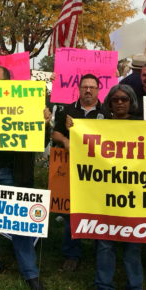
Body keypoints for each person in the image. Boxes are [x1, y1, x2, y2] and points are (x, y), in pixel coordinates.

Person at [0, 59, 50, 290]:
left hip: (15, 173)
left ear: (9, 84)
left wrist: (44, 123)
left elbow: (41, 142)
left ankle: (30, 273)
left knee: (21, 223)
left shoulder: (27, 104)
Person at [93, 84, 146, 290]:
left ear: (131, 101)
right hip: (107, 194)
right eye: (115, 99)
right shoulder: (99, 126)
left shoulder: (143, 126)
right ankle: (103, 289)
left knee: (132, 244)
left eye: (125, 99)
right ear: (110, 103)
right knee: (105, 244)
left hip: (133, 196)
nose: (120, 102)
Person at [51, 74, 106, 272]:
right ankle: (72, 253)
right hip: (73, 171)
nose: (88, 90)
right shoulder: (68, 111)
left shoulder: (107, 113)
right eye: (85, 87)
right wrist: (65, 141)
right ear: (79, 89)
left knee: (99, 211)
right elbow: (55, 133)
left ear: (99, 90)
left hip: (99, 173)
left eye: (92, 87)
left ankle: (101, 249)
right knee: (71, 213)